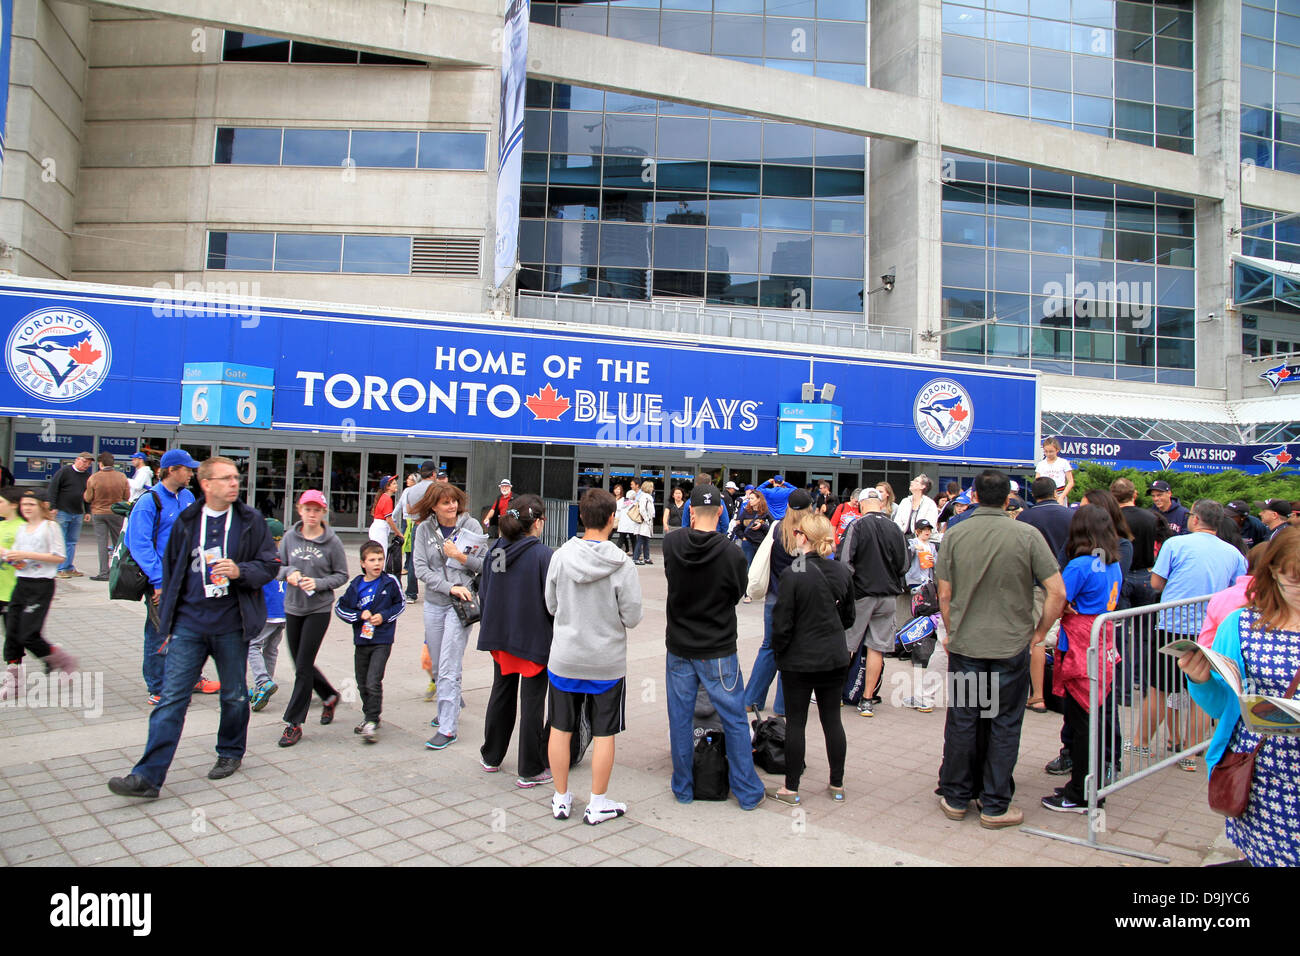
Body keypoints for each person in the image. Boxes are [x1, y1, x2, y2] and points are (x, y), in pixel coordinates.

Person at [107, 457, 279, 799]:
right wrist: (168, 622)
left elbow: (270, 565)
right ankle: (147, 777)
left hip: (232, 623)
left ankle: (230, 752)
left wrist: (240, 571)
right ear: (207, 484)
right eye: (226, 478)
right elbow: (172, 571)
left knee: (233, 694)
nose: (234, 483)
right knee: (171, 699)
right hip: (189, 624)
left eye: (236, 477)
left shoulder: (250, 520)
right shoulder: (187, 519)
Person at [936, 469, 1065, 829]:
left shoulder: (956, 534)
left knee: (964, 719)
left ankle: (957, 796)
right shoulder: (1027, 534)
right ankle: (994, 804)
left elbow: (944, 595)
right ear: (1008, 498)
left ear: (974, 495)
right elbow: (1057, 591)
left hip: (967, 646)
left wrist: (952, 632)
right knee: (1004, 723)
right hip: (1011, 646)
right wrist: (1038, 633)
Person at [1181, 529, 1300, 866]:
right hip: (1264, 777)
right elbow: (1223, 705)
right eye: (1296, 581)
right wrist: (1199, 680)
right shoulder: (1242, 624)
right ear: (1274, 571)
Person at [663, 483, 765, 810]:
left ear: (690, 512)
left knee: (680, 718)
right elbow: (737, 593)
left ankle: (683, 787)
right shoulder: (732, 552)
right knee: (734, 717)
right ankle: (747, 792)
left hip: (679, 645)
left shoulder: (671, 543)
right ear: (720, 512)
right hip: (718, 647)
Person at [544, 488, 643, 824]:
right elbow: (632, 616)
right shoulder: (623, 564)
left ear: (581, 517)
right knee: (604, 733)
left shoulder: (560, 556)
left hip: (565, 657)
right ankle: (597, 802)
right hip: (606, 662)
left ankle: (560, 797)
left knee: (560, 727)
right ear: (613, 519)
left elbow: (551, 604)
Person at [1138, 499, 1247, 767]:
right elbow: (1237, 590)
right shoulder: (1234, 553)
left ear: (1195, 519)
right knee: (1202, 689)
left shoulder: (1175, 544)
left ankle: (1141, 743)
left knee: (1159, 688)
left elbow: (1156, 582)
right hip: (1211, 630)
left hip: (1172, 627)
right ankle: (1191, 752)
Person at [1039, 505, 1123, 813]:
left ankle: (1081, 792)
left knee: (1082, 721)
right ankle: (1091, 786)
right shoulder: (1112, 562)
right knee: (1094, 719)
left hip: (1080, 644)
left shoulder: (1079, 565)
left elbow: (1059, 597)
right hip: (1103, 640)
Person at [769, 512, 856, 804]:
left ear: (802, 537)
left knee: (796, 722)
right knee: (832, 719)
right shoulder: (843, 572)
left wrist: (780, 651)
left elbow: (781, 624)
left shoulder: (793, 573)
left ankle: (791, 788)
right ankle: (837, 783)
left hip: (799, 658)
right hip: (833, 656)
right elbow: (848, 617)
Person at [477, 494, 554, 787]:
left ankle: (491, 755)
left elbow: (486, 590)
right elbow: (552, 601)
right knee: (532, 702)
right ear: (537, 522)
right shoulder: (542, 555)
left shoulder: (495, 550)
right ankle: (530, 768)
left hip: (500, 636)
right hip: (532, 639)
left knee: (501, 693)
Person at [126, 449, 207, 704]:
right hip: (162, 580)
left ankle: (191, 677)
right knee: (159, 633)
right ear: (172, 470)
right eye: (188, 469)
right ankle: (158, 687)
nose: (192, 474)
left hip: (188, 577)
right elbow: (138, 544)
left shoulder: (187, 496)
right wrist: (159, 582)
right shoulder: (150, 501)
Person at [414, 482, 485, 750]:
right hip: (435, 602)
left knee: (448, 664)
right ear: (434, 506)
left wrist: (460, 557)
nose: (452, 506)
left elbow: (484, 564)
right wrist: (447, 586)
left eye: (454, 501)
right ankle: (451, 701)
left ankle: (447, 727)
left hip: (461, 603)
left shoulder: (472, 527)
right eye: (445, 502)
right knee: (436, 663)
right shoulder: (423, 530)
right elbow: (420, 568)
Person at [277, 490, 350, 748]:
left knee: (303, 666)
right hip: (293, 606)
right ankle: (329, 696)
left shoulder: (332, 542)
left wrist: (318, 583)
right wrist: (290, 573)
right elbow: (277, 566)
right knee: (300, 663)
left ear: (323, 513)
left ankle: (294, 723)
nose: (311, 514)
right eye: (307, 509)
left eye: (316, 510)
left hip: (318, 609)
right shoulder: (289, 538)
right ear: (299, 510)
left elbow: (342, 575)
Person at [743, 489, 814, 716]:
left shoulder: (777, 528)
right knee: (792, 650)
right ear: (808, 508)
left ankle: (751, 698)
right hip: (801, 599)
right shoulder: (810, 532)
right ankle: (784, 705)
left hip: (775, 595)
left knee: (769, 646)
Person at [838, 488, 907, 717]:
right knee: (877, 647)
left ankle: (837, 694)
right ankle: (867, 699)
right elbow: (904, 565)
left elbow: (845, 562)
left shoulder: (857, 526)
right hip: (887, 595)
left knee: (848, 644)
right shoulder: (895, 527)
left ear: (861, 505)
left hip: (861, 594)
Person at [0, 490, 77, 693]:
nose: (26, 508)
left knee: (29, 634)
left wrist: (24, 554)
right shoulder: (23, 528)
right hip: (21, 583)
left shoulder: (50, 527)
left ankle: (62, 659)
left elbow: (59, 557)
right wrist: (10, 558)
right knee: (13, 633)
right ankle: (14, 681)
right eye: (24, 504)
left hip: (41, 585)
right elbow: (21, 563)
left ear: (42, 506)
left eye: (31, 504)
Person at [334, 540, 406, 743]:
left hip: (382, 640)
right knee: (362, 681)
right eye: (372, 560)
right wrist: (359, 615)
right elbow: (340, 608)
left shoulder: (390, 581)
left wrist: (383, 616)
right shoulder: (356, 585)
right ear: (362, 563)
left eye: (380, 559)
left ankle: (372, 720)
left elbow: (399, 605)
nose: (377, 564)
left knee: (374, 680)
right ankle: (369, 715)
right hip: (362, 640)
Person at [1017, 476, 1073, 713]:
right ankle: (1068, 691)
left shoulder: (1026, 517)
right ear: (1055, 492)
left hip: (1036, 585)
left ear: (1034, 495)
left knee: (1037, 637)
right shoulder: (1071, 516)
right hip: (1069, 584)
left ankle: (1038, 695)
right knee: (1066, 637)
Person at [248, 518, 286, 712]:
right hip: (282, 613)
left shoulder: (262, 557)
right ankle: (262, 687)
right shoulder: (283, 556)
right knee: (271, 650)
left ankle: (262, 681)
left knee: (252, 645)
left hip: (267, 612)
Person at [1111, 477, 1165, 608]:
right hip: (1145, 574)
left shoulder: (1110, 518)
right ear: (1134, 494)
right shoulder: (1151, 517)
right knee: (1144, 625)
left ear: (1112, 496)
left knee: (1119, 623)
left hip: (1120, 573)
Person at [84, 452, 131, 581]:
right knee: (118, 543)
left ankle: (104, 572)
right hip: (116, 513)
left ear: (101, 463)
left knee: (102, 543)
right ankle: (119, 571)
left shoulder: (94, 478)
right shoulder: (121, 477)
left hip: (99, 513)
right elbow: (126, 496)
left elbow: (88, 498)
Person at [47, 450, 94, 578]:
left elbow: (87, 495)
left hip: (77, 512)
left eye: (88, 464)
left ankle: (68, 567)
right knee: (60, 540)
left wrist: (87, 511)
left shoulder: (86, 476)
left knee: (72, 541)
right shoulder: (64, 471)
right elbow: (53, 489)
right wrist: (53, 506)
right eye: (84, 462)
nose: (86, 465)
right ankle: (60, 568)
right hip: (62, 510)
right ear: (77, 460)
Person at [397, 460, 436, 603]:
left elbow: (408, 510)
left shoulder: (411, 490)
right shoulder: (435, 488)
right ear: (433, 474)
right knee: (438, 558)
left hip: (416, 525)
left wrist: (419, 514)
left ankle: (411, 593)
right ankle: (437, 591)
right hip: (433, 526)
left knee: (415, 559)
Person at [367, 475, 400, 562]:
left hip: (378, 528)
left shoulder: (384, 497)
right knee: (381, 556)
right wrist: (398, 532)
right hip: (380, 528)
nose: (396, 485)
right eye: (393, 484)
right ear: (387, 487)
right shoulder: (387, 499)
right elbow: (389, 519)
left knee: (378, 554)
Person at [1035, 438, 1074, 503]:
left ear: (1057, 450)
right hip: (1045, 495)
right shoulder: (1041, 464)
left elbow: (1071, 482)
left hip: (1060, 492)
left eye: (1051, 451)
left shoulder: (1063, 462)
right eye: (1046, 451)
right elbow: (1037, 481)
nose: (1048, 454)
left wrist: (1062, 497)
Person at [633, 479, 655, 566]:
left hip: (646, 521)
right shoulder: (645, 497)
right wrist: (647, 519)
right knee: (641, 539)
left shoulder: (645, 496)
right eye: (652, 487)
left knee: (646, 540)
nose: (653, 488)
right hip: (644, 522)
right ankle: (636, 558)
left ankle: (646, 557)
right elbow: (642, 509)